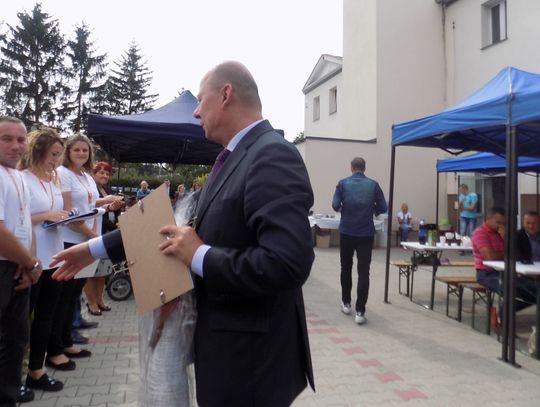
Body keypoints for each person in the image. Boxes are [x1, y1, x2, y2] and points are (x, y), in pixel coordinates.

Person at [51, 61, 315, 407]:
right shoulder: (234, 157)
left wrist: (199, 255)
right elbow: (173, 222)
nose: (195, 111)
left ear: (226, 94)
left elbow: (287, 263)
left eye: (201, 100)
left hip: (251, 362)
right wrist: (94, 248)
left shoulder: (272, 154)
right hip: (228, 352)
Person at [18, 128, 68, 393]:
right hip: (32, 257)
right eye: (53, 155)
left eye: (59, 155)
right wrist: (47, 216)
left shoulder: (53, 180)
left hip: (55, 257)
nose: (56, 160)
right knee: (21, 319)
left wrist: (64, 217)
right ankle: (15, 375)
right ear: (38, 152)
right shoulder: (22, 179)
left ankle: (36, 370)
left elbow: (55, 212)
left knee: (46, 317)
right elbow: (17, 218)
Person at [0, 116, 42, 405]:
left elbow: (26, 224)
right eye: (6, 139)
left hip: (18, 267)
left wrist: (31, 263)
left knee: (15, 339)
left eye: (20, 139)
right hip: (6, 266)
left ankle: (9, 394)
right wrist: (31, 264)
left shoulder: (17, 176)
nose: (16, 145)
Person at [332, 157, 387, 325]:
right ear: (364, 168)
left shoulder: (342, 184)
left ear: (351, 167)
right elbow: (383, 207)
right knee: (364, 271)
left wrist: (344, 209)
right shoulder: (373, 185)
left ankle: (346, 303)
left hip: (347, 231)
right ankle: (360, 311)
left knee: (345, 267)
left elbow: (335, 204)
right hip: (365, 233)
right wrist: (373, 209)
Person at [473, 207, 536, 312]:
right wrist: (507, 253)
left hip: (507, 271)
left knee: (530, 287)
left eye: (503, 223)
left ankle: (505, 313)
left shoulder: (503, 233)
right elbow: (490, 257)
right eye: (498, 222)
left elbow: (516, 253)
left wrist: (506, 239)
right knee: (510, 289)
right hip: (487, 273)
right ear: (488, 219)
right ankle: (504, 315)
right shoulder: (480, 233)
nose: (501, 226)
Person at [84, 161, 124, 315]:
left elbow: (113, 211)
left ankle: (100, 299)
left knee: (103, 271)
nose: (105, 176)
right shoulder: (92, 191)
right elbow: (98, 214)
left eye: (107, 173)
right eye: (101, 172)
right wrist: (115, 228)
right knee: (91, 272)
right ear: (93, 174)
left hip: (107, 234)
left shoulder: (107, 190)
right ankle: (91, 302)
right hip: (95, 233)